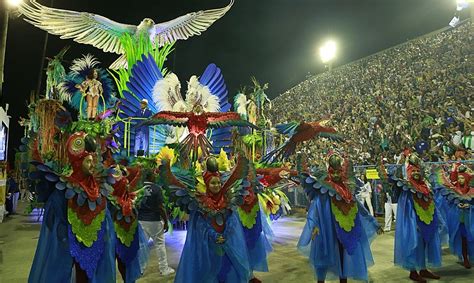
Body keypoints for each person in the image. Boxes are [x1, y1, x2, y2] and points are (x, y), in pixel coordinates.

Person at [298, 151, 381, 283]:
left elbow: (358, 206)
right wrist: (314, 226)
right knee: (323, 256)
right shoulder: (323, 189)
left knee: (345, 257)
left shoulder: (347, 190)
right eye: (333, 172)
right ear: (329, 171)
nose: (336, 175)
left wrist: (374, 223)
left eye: (338, 171)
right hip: (327, 230)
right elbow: (315, 208)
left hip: (345, 231)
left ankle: (344, 280)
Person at [391, 153, 442, 282]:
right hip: (415, 222)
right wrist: (413, 223)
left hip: (428, 219)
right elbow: (406, 208)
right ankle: (413, 272)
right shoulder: (408, 188)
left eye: (418, 170)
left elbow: (432, 203)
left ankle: (423, 269)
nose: (416, 173)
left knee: (426, 242)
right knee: (415, 244)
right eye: (413, 171)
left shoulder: (425, 186)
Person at [137, 175, 174, 276]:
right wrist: (166, 221)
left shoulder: (138, 188)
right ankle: (164, 269)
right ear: (152, 177)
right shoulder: (157, 189)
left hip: (141, 220)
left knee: (142, 246)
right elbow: (161, 206)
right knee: (160, 245)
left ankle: (140, 269)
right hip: (155, 220)